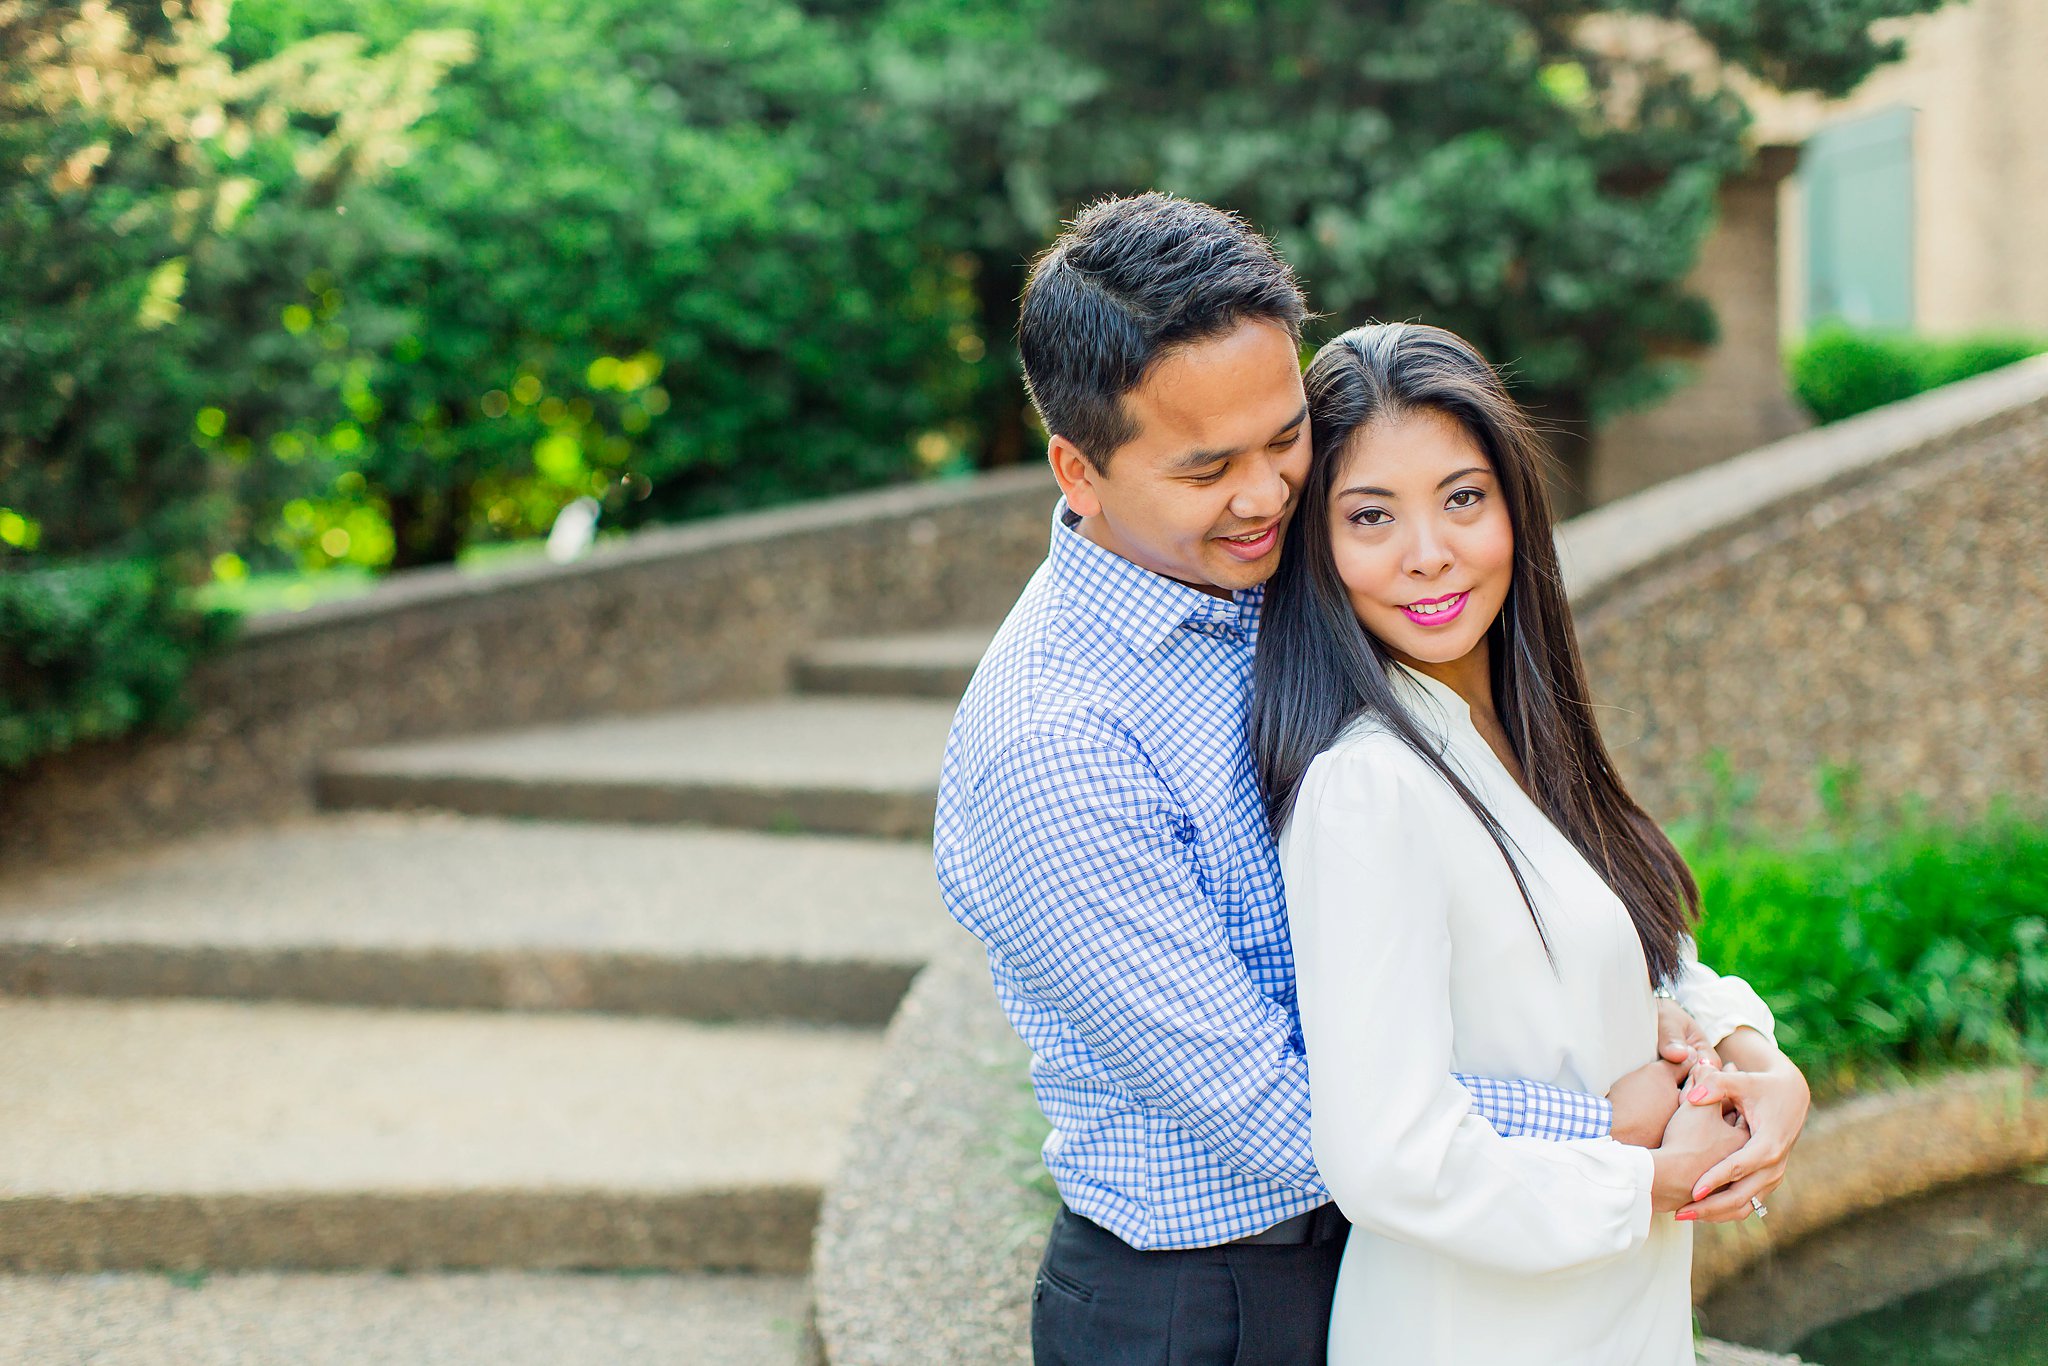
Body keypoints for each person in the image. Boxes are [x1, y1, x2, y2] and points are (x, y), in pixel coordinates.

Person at [933, 192, 1808, 1365]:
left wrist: (1715, 1032)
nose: (1264, 495)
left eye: (1283, 436)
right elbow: (1273, 1116)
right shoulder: (1054, 744)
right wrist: (1608, 1116)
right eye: (1206, 468)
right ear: (1076, 471)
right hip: (1207, 1306)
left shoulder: (1291, 594)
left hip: (1406, 1253)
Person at [1253, 321, 1812, 1364]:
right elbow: (1386, 1152)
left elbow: (1643, 961)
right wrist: (1646, 1177)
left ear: (1514, 503)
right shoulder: (1368, 787)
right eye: (1368, 515)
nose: (1427, 550)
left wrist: (1756, 1063)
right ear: (1315, 550)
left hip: (1602, 1312)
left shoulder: (1513, 736)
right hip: (1472, 1327)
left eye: (1461, 497)